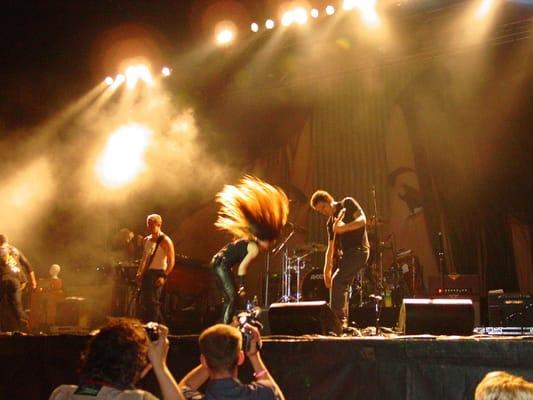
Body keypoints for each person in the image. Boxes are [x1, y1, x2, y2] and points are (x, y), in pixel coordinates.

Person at [210, 176, 289, 324]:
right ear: (267, 239)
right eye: (271, 242)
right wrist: (241, 286)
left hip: (219, 263)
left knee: (229, 297)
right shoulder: (253, 248)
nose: (270, 246)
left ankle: (226, 323)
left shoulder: (250, 240)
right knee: (232, 297)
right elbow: (242, 267)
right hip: (220, 264)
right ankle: (225, 326)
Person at [49, 318, 185, 400]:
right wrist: (160, 366)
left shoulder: (63, 394)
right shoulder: (136, 398)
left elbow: (96, 393)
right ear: (142, 369)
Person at [309, 190, 370, 326]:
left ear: (329, 200)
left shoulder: (347, 203)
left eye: (323, 207)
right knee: (340, 285)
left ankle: (337, 322)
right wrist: (326, 269)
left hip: (360, 251)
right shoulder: (330, 223)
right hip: (348, 255)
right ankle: (343, 323)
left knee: (338, 281)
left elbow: (362, 220)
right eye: (320, 211)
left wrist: (344, 228)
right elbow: (330, 247)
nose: (323, 212)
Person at [179, 323, 285, 400]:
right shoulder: (263, 394)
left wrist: (213, 355)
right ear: (240, 358)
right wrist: (254, 356)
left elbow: (182, 388)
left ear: (203, 361)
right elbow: (277, 395)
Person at [136, 214, 175, 323]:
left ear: (159, 224)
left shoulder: (165, 240)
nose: (149, 227)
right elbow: (144, 258)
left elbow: (171, 261)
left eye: (151, 224)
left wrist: (164, 276)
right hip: (147, 273)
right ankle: (150, 326)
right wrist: (140, 272)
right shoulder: (146, 240)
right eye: (148, 224)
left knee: (153, 303)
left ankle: (155, 329)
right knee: (145, 303)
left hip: (158, 273)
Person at [0, 233, 37, 331]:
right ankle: (27, 327)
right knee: (17, 306)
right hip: (17, 281)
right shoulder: (15, 250)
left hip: (3, 280)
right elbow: (27, 265)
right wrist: (33, 281)